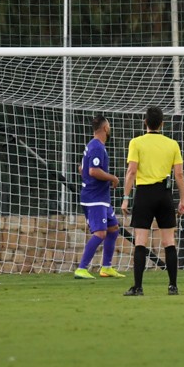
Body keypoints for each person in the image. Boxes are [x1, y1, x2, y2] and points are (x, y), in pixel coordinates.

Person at [120, 107, 184, 296]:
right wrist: (182, 199)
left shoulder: (136, 142)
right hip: (164, 194)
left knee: (140, 241)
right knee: (169, 242)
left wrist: (125, 198)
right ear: (162, 123)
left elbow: (131, 171)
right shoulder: (172, 144)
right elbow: (179, 174)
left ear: (145, 122)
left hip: (144, 194)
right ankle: (173, 286)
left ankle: (138, 287)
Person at [74, 115, 124, 279]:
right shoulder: (96, 147)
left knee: (113, 228)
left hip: (100, 196)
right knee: (101, 233)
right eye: (109, 126)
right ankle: (81, 268)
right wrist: (113, 178)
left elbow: (81, 169)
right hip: (94, 198)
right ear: (105, 128)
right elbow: (93, 171)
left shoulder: (94, 146)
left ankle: (106, 267)